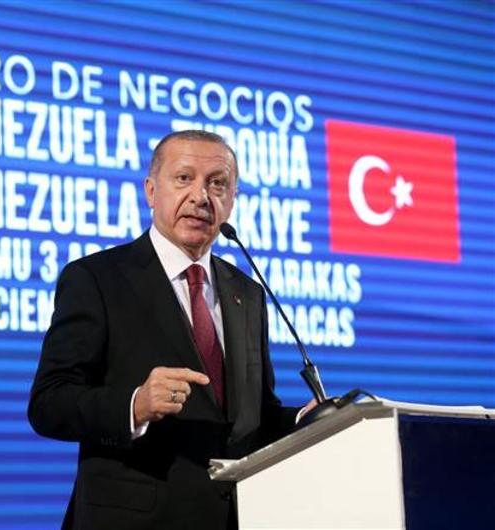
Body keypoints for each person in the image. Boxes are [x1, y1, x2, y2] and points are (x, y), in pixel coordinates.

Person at [29, 130, 313, 530]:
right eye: (184, 178)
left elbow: (253, 419)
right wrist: (135, 405)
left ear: (232, 200)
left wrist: (306, 420)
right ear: (151, 191)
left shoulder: (246, 293)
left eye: (218, 183)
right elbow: (48, 404)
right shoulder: (96, 279)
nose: (201, 196)